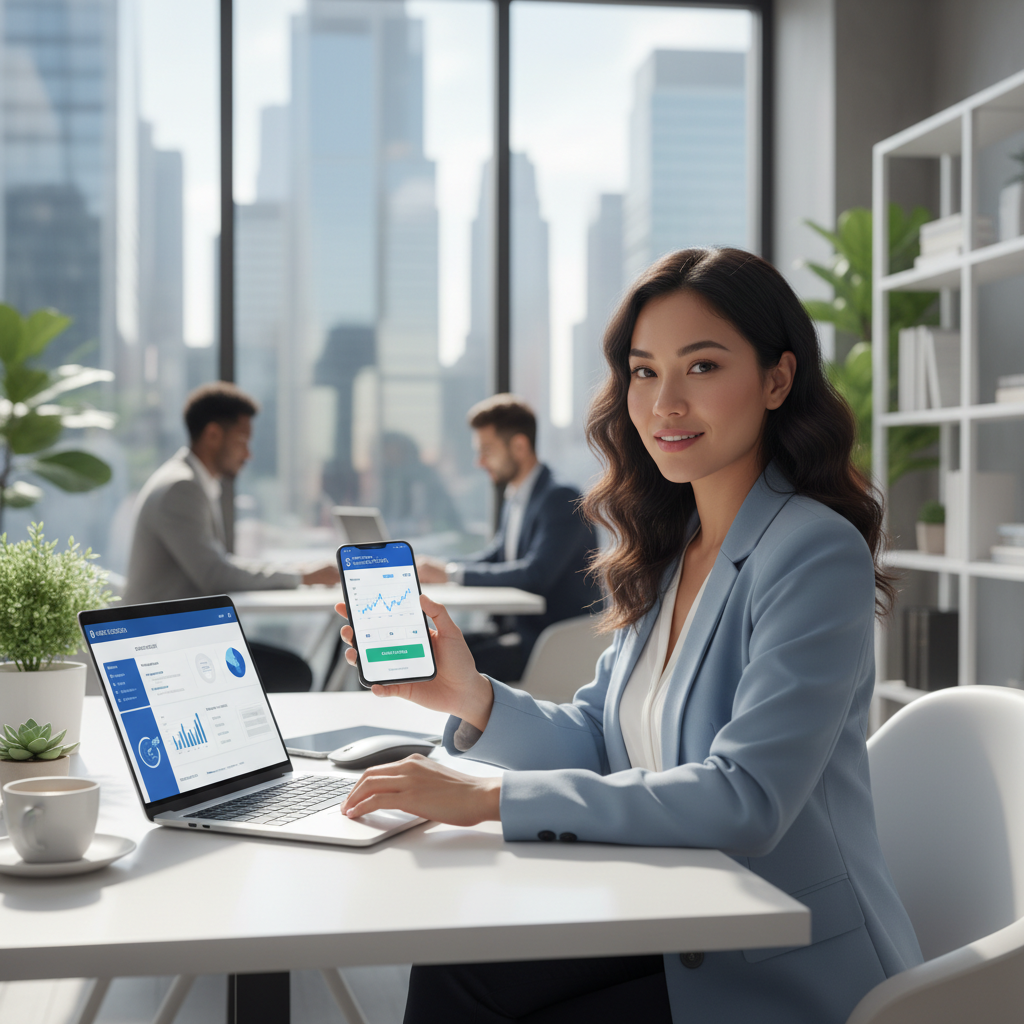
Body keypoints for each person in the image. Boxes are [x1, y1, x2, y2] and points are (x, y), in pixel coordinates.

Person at [334, 248, 923, 1024]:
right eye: (644, 372)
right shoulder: (674, 547)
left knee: (472, 981)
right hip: (675, 909)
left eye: (702, 366)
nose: (665, 403)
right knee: (459, 962)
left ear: (778, 380)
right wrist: (471, 697)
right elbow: (601, 740)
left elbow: (746, 798)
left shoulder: (813, 551)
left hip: (777, 958)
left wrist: (490, 797)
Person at [417, 395, 601, 681]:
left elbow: (535, 573)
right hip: (512, 633)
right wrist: (439, 569)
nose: (479, 462)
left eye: (487, 451)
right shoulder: (518, 497)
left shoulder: (561, 499)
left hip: (548, 643)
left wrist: (452, 573)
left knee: (435, 662)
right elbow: (497, 555)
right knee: (424, 649)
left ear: (519, 445)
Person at [124, 382, 338, 604]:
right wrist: (303, 576)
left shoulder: (189, 481)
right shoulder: (181, 488)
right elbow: (215, 575)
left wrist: (295, 571)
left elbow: (220, 564)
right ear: (213, 435)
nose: (248, 454)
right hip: (161, 634)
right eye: (242, 441)